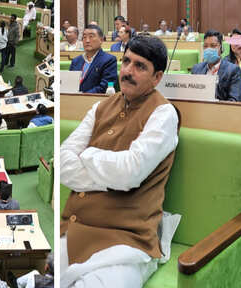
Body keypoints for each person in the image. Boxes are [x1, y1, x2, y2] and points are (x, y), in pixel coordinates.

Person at [61, 35, 180, 287]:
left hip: (126, 243)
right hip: (74, 230)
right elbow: (63, 164)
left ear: (157, 77)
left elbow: (129, 173)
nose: (128, 71)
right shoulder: (100, 107)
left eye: (140, 66)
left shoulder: (164, 114)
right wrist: (112, 178)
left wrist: (87, 155)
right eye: (126, 61)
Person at [190, 30, 241, 101]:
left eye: (213, 46)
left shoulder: (233, 70)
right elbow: (190, 95)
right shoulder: (196, 69)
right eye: (205, 46)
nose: (208, 49)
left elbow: (234, 100)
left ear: (221, 48)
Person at [69, 25, 118, 93]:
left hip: (95, 98)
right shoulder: (76, 61)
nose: (87, 40)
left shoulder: (109, 60)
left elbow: (105, 87)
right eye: (84, 37)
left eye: (91, 37)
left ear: (101, 40)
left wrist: (82, 96)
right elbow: (70, 84)